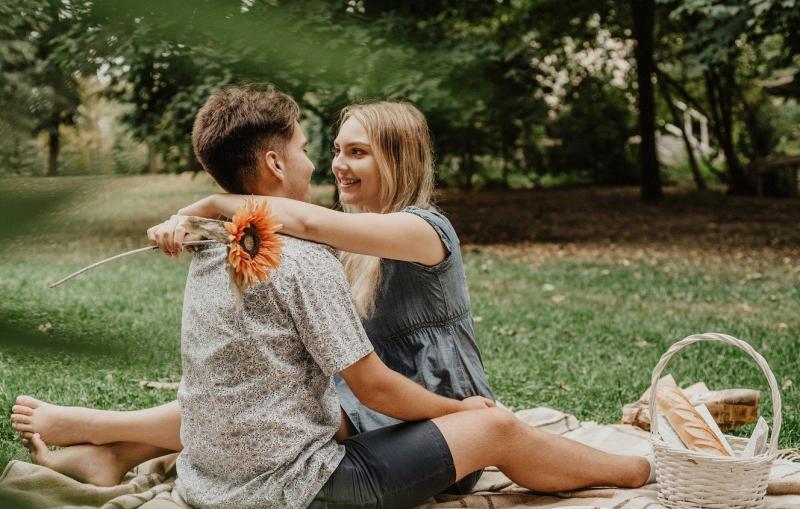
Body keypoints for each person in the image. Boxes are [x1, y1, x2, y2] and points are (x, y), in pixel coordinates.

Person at [13, 86, 653, 506]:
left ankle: (632, 469)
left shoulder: (422, 229)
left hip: (418, 391)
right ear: (277, 162)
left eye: (358, 153)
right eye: (331, 150)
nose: (334, 165)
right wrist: (201, 224)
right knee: (256, 400)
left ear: (397, 160)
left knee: (480, 424)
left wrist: (206, 205)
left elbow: (303, 223)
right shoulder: (321, 241)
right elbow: (305, 250)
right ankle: (109, 448)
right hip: (363, 396)